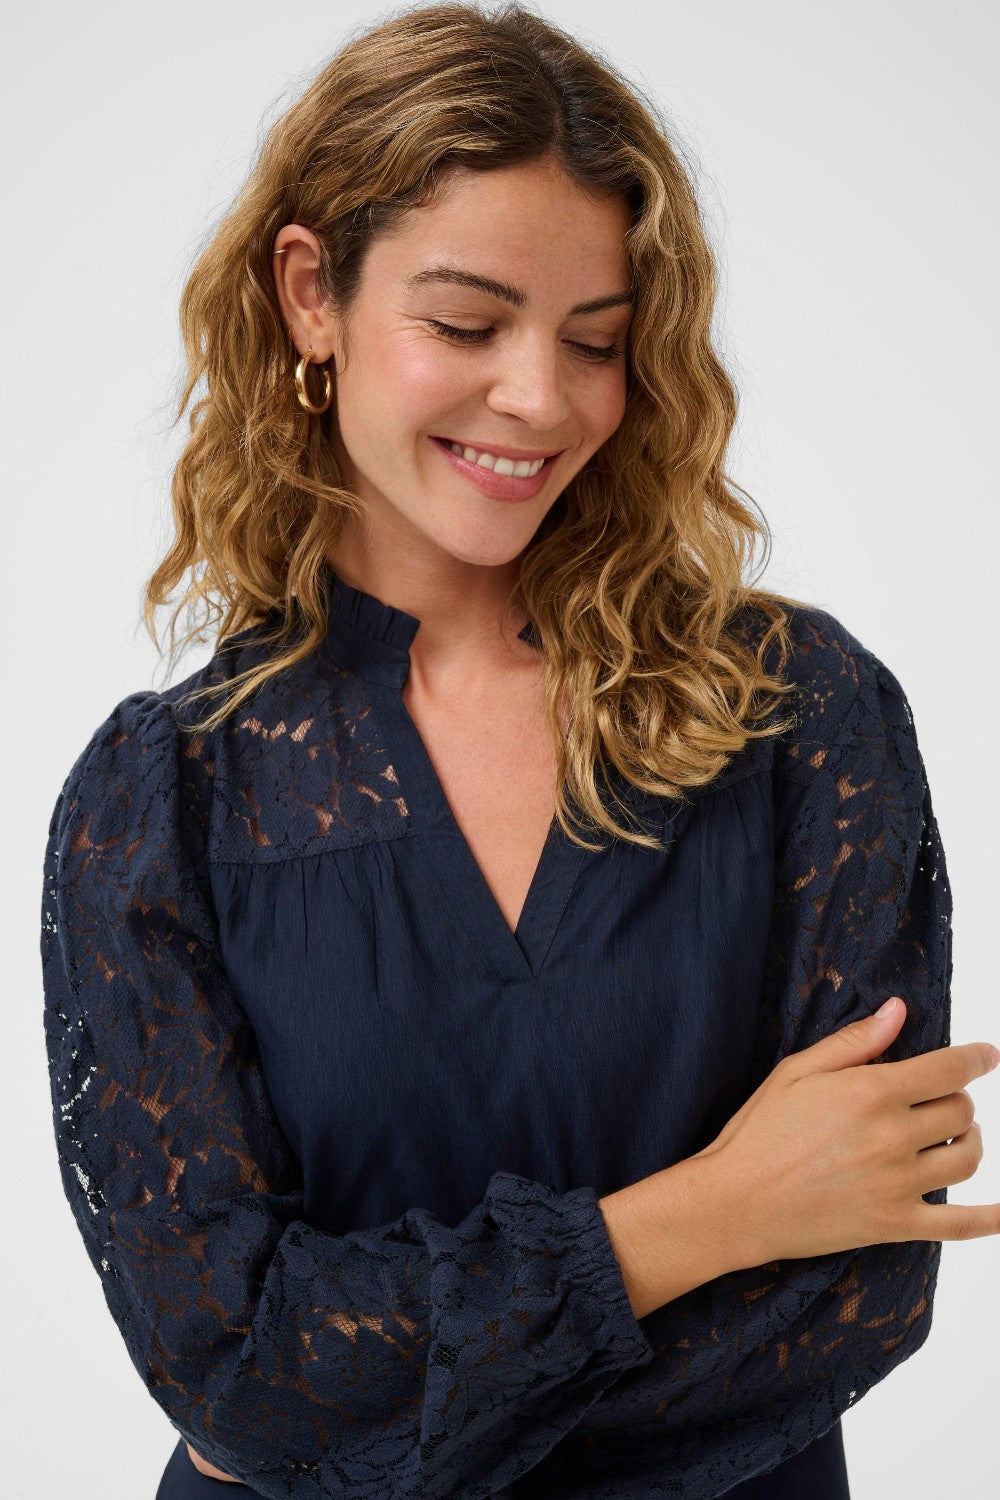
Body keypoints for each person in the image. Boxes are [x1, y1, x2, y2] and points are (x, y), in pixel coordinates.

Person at [39, 4, 998, 1497]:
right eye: (466, 323)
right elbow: (234, 1371)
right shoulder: (164, 800)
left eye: (596, 341)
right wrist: (715, 1215)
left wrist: (371, 1404)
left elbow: (853, 1295)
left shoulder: (799, 717)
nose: (541, 399)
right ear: (312, 295)